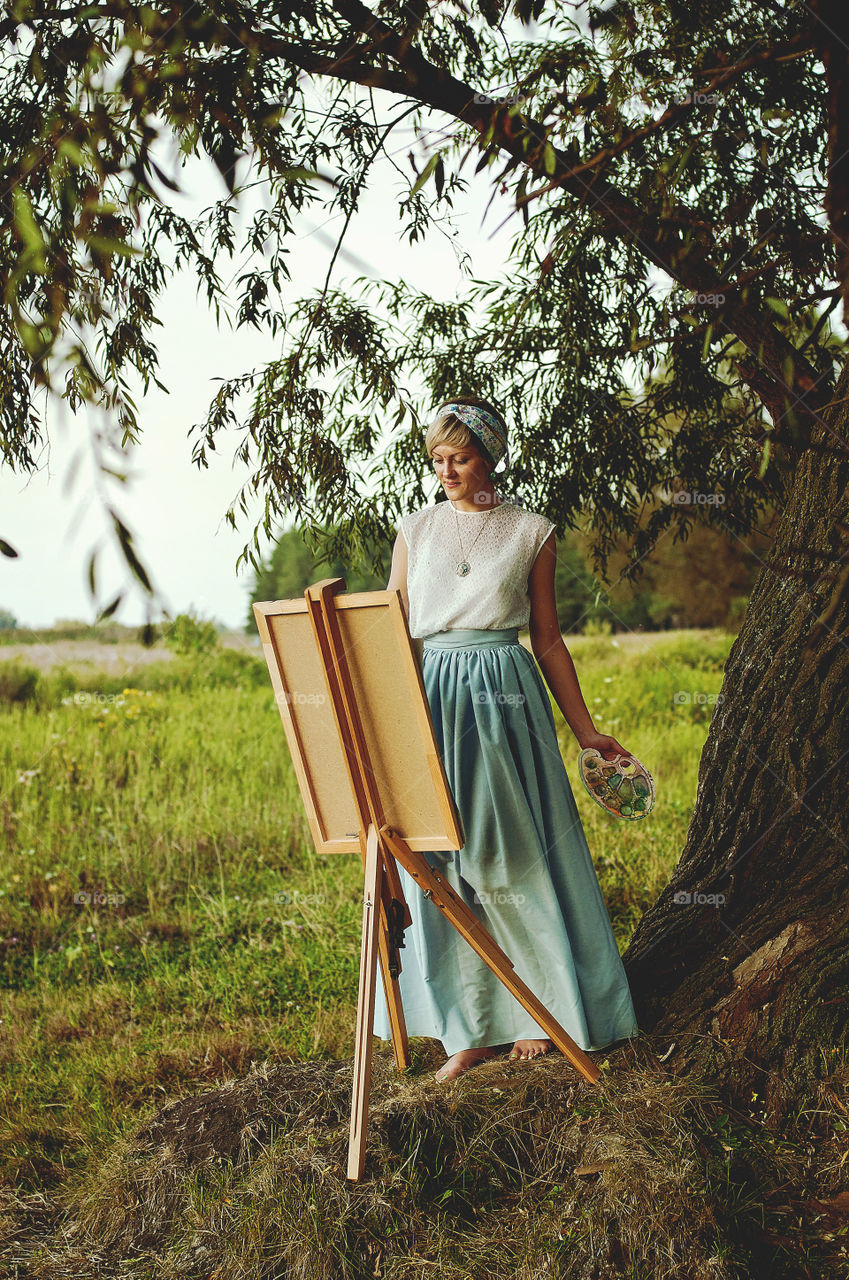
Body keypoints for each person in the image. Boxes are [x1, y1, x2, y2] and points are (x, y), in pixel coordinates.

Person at [374, 395, 639, 1083]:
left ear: (489, 456)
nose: (447, 472)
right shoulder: (415, 529)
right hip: (430, 695)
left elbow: (548, 640)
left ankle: (536, 1011)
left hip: (502, 694)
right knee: (436, 859)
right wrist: (382, 725)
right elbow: (392, 631)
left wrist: (586, 732)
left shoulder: (531, 532)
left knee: (506, 853)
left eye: (460, 458)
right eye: (437, 460)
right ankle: (467, 1029)